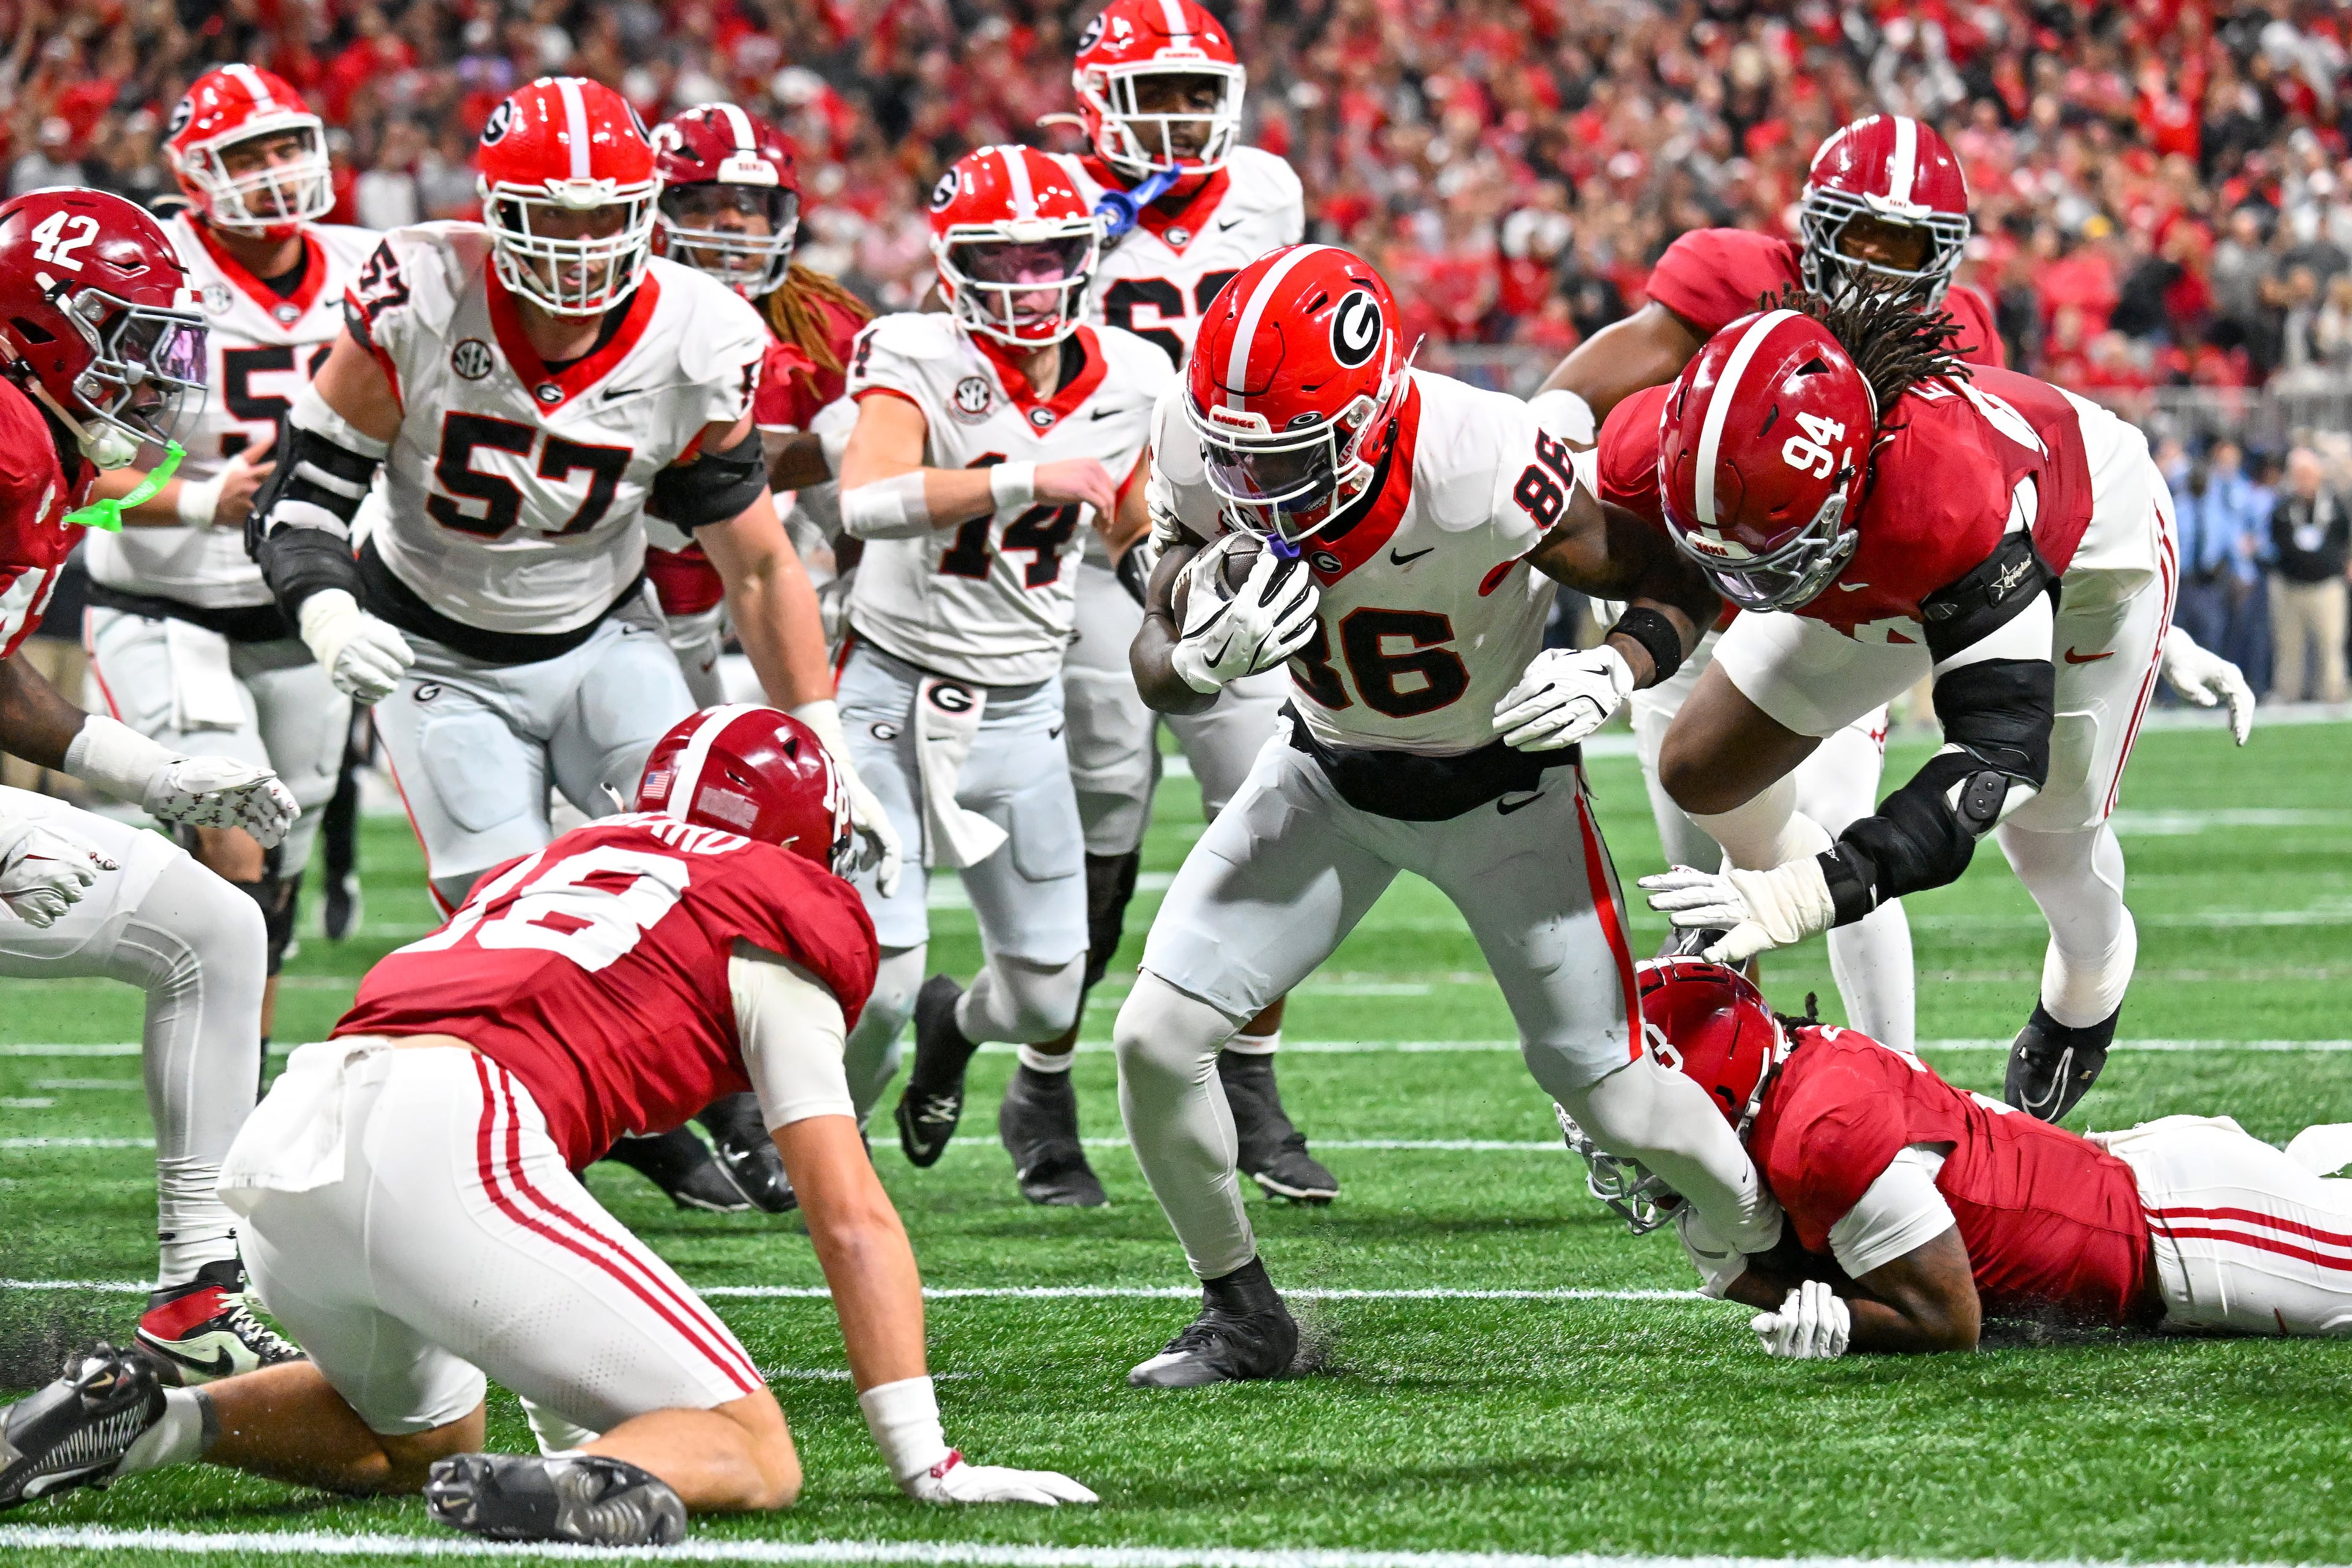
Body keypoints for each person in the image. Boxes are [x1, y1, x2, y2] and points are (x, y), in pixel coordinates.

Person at [0, 707, 1096, 1540]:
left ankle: (149, 1420)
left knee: (415, 1444)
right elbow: (849, 1216)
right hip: (453, 1132)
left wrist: (573, 1403)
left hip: (300, 1128)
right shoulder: (770, 906)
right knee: (756, 1454)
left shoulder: (561, 862)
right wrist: (926, 1460)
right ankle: (569, 1494)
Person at [1115, 244, 1782, 1387]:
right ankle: (1241, 1313)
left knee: (1610, 1091)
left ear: (1376, 415)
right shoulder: (1200, 433)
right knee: (1152, 1040)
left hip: (1501, 791)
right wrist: (1188, 646)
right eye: (1242, 461)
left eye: (1292, 459)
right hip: (1324, 777)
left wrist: (1618, 665)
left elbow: (1678, 577)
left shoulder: (1481, 459)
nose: (1259, 494)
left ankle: (1772, 1242)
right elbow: (1153, 639)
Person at [240, 77, 899, 1212]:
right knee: (513, 927)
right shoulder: (421, 291)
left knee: (718, 866)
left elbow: (755, 562)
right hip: (431, 653)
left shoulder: (700, 332)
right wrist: (328, 610)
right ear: (495, 210)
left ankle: (733, 1095)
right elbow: (299, 498)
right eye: (558, 216)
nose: (587, 246)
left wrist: (824, 730)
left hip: (602, 633)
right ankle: (579, 1136)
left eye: (611, 216)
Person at [1613, 293, 2188, 1128]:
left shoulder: (1944, 498)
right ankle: (1792, 884)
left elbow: (1999, 757)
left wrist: (1815, 891)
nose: (1748, 595)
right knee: (1701, 764)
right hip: (1866, 545)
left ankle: (2091, 975)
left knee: (2049, 844)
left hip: (2091, 561)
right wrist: (1607, 661)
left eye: (1767, 558)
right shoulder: (1666, 436)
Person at [1541, 113, 2007, 1054]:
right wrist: (1531, 460)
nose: (1876, 261)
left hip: (1822, 612)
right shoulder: (1735, 275)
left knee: (1836, 831)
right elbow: (1569, 400)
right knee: (1705, 882)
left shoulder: (1960, 335)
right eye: (1860, 232)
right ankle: (1732, 1104)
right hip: (1690, 598)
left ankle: (1897, 1080)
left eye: (1904, 242)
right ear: (1816, 225)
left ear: (1943, 254)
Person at [0, 186, 305, 1379]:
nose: (155, 367)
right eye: (127, 333)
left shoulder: (47, 435)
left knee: (219, 929)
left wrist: (155, 771)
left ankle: (198, 1293)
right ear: (42, 325)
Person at [827, 145, 1172, 1188]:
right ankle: (823, 1154)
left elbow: (1134, 531)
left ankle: (956, 1027)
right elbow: (865, 498)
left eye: (1048, 255)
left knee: (1042, 997)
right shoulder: (918, 350)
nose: (1027, 280)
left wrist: (1196, 591)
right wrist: (1022, 477)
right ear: (951, 263)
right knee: (877, 982)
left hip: (1022, 712)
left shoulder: (1136, 374)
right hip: (888, 695)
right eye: (1001, 258)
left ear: (1085, 255)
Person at [1038, 0, 1331, 1208]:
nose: (1174, 119)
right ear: (1097, 94)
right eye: (1148, 92)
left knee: (1267, 800)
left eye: (1191, 92)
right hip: (1077, 542)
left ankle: (1254, 1084)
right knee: (1099, 829)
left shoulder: (1264, 189)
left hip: (1229, 524)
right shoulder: (1047, 196)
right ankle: (1044, 1080)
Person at [1602, 958, 2352, 1355]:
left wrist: (1835, 1322)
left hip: (2192, 1235)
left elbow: (1947, 1323)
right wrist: (1748, 1266)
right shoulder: (1797, 1072)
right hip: (2145, 1193)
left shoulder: (1820, 1134)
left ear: (1718, 1087)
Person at [619, 100, 877, 1216]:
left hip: (743, 631)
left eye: (750, 204)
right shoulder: (624, 316)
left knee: (743, 866)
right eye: (705, 203)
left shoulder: (821, 333)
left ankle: (742, 1099)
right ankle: (654, 1101)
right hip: (618, 616)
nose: (730, 224)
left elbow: (853, 495)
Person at [80, 66, 375, 1041]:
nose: (277, 171)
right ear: (192, 169)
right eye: (247, 154)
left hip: (309, 608)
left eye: (287, 146)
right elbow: (76, 500)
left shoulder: (376, 266)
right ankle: (220, 1119)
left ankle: (235, 1089)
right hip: (167, 611)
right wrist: (207, 498)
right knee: (236, 843)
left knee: (274, 881)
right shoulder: (138, 271)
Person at [2266, 447, 2350, 704]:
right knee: (2289, 647)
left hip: (2326, 586)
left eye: (2309, 473)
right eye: (2299, 474)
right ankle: (2287, 694)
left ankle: (2333, 694)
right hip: (2290, 586)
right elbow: (2276, 540)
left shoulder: (2335, 505)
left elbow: (2345, 537)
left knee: (2331, 645)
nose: (2305, 479)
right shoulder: (2283, 507)